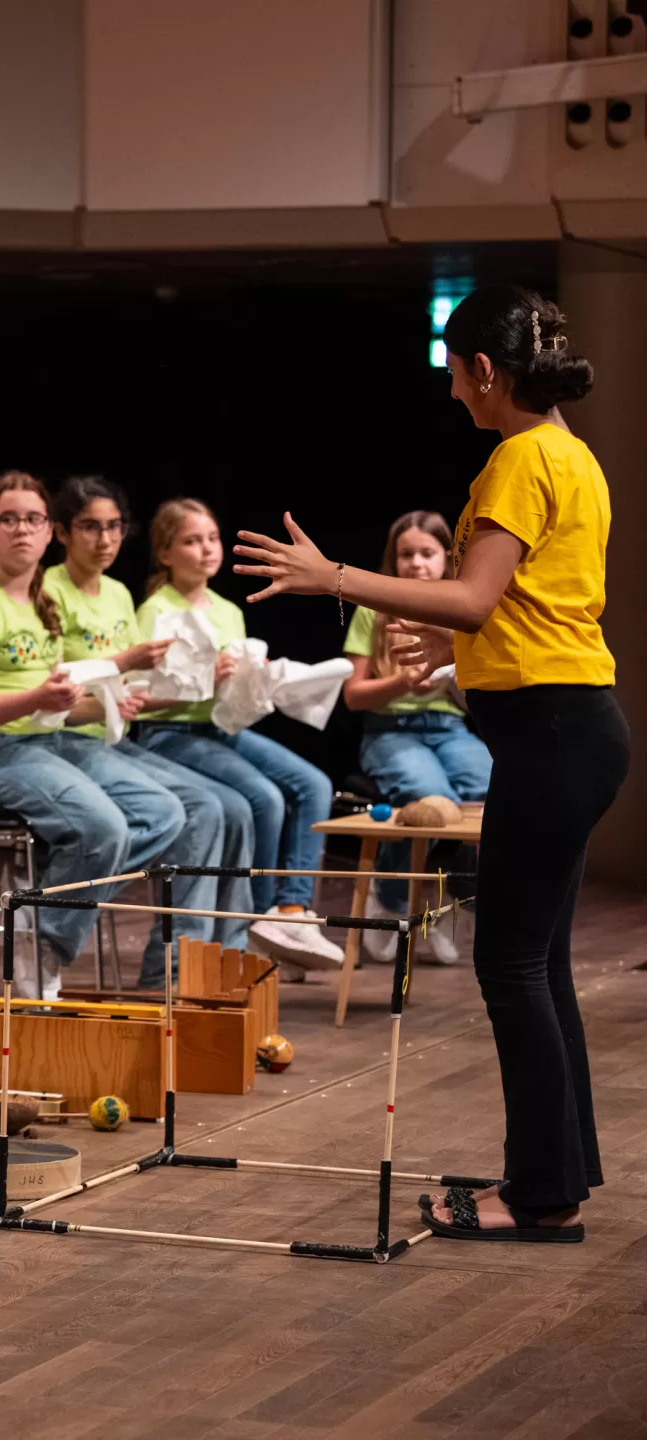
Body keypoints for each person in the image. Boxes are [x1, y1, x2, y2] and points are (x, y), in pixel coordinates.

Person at [236, 283, 624, 1243]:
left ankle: (537, 1198)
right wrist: (461, 659)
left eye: (457, 377)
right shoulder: (572, 455)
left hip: (550, 734)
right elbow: (539, 606)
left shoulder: (517, 459)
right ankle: (558, 1174)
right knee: (541, 965)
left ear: (486, 371)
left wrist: (334, 579)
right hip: (571, 724)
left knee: (514, 964)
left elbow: (479, 595)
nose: (455, 395)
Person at [0, 472, 186, 999]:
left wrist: (99, 703)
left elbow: (56, 707)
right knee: (105, 830)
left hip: (43, 737)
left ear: (49, 533)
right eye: (8, 519)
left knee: (166, 813)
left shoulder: (42, 600)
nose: (21, 530)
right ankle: (42, 937)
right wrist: (37, 701)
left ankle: (43, 904)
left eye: (32, 519)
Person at [45, 475, 255, 984]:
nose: (105, 539)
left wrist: (141, 687)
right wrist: (127, 671)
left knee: (218, 806)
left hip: (111, 736)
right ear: (63, 533)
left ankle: (199, 963)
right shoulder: (48, 590)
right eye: (91, 528)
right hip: (64, 737)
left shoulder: (117, 593)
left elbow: (134, 682)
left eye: (114, 527)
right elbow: (51, 690)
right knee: (189, 810)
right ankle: (170, 968)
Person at [130, 499, 344, 972]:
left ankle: (290, 909)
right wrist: (208, 676)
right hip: (173, 732)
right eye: (191, 540)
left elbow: (229, 701)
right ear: (165, 553)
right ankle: (260, 913)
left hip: (220, 728)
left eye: (211, 538)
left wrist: (254, 679)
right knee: (264, 799)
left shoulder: (227, 609)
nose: (206, 549)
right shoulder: (156, 611)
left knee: (313, 784)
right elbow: (143, 693)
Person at [339, 510, 490, 964]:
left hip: (449, 727)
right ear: (393, 560)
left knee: (492, 790)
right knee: (430, 799)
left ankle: (454, 899)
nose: (417, 564)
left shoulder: (458, 608)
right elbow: (353, 695)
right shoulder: (373, 609)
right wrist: (403, 683)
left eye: (427, 553)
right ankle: (389, 893)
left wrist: (448, 679)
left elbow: (480, 687)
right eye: (406, 555)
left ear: (447, 556)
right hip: (392, 729)